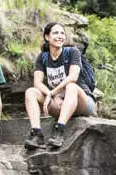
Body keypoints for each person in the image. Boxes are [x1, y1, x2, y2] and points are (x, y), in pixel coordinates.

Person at [23, 22, 96, 150]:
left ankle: (59, 131)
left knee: (71, 87)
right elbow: (37, 83)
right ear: (47, 37)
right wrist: (51, 94)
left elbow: (73, 77)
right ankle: (36, 134)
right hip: (59, 104)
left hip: (82, 102)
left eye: (62, 33)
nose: (60, 36)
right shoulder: (43, 57)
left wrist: (52, 93)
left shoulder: (73, 52)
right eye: (55, 33)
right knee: (30, 92)